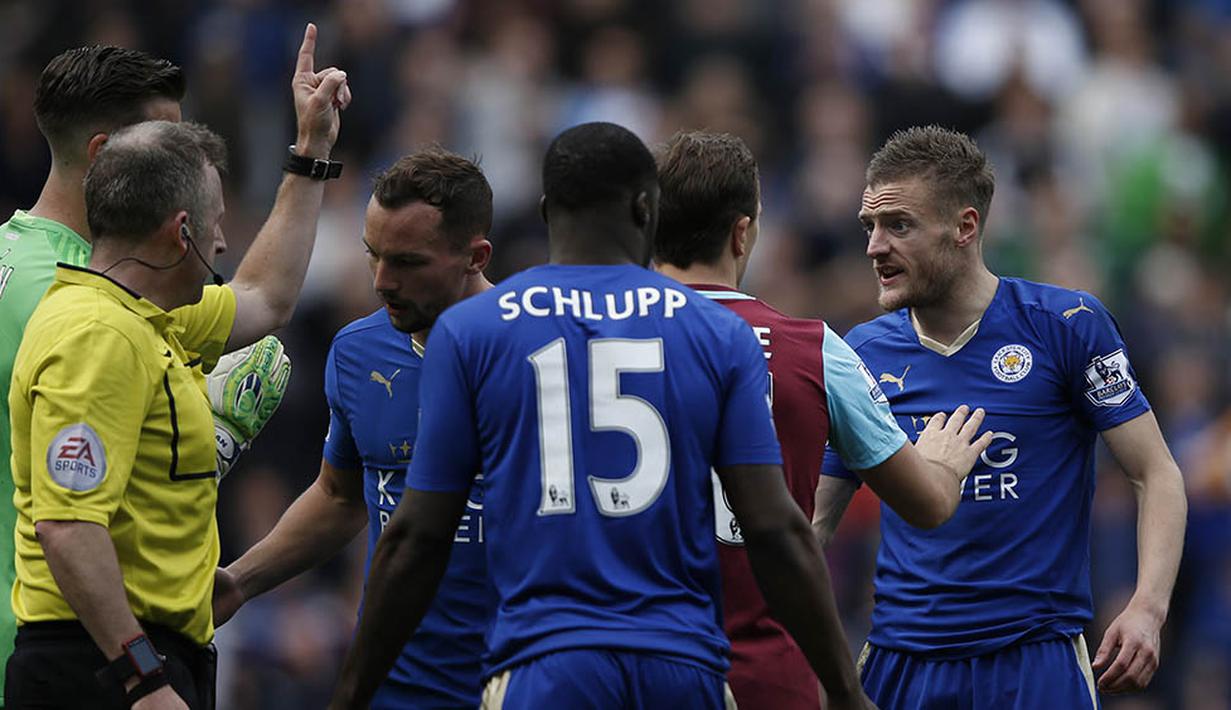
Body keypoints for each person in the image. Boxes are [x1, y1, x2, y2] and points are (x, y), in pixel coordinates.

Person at [328, 122, 874, 710]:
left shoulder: (474, 332)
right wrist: (846, 691)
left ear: (544, 211)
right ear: (647, 210)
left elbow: (417, 536)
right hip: (682, 667)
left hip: (547, 666)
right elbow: (776, 528)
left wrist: (351, 694)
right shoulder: (716, 335)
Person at [6, 24, 350, 709]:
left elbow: (262, 299)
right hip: (81, 640)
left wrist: (310, 153)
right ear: (109, 159)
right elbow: (69, 514)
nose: (219, 236)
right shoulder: (76, 306)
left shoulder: (103, 292)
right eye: (174, 145)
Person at [813, 126, 1188, 707]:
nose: (875, 246)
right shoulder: (860, 353)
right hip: (901, 662)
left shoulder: (1067, 326)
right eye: (871, 226)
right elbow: (815, 521)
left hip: (1033, 660)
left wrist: (1147, 607)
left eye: (899, 225)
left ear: (965, 227)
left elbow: (1155, 473)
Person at [652, 130, 992, 709]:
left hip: (612, 663)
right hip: (756, 672)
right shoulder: (815, 349)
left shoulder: (574, 342)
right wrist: (942, 464)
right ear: (743, 232)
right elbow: (928, 504)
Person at [211, 148, 495, 707]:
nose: (382, 281)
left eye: (408, 262)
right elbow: (341, 496)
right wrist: (242, 581)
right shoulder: (358, 351)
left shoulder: (538, 354)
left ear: (475, 256)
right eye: (373, 256)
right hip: (399, 679)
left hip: (522, 676)